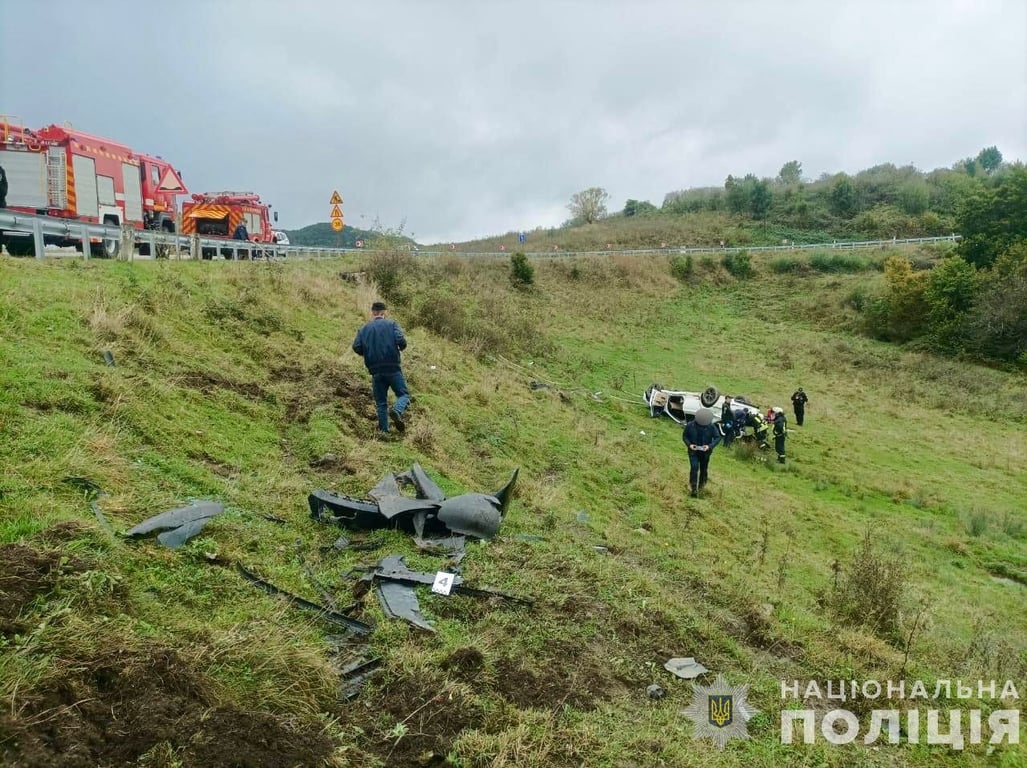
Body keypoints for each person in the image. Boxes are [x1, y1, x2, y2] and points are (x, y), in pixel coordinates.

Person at [352, 301, 410, 434]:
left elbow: (356, 347)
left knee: (381, 403)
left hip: (375, 371)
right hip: (392, 368)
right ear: (384, 313)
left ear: (373, 313)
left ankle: (384, 432)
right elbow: (401, 340)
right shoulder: (392, 324)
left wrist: (368, 353)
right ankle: (396, 410)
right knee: (404, 394)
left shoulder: (364, 329)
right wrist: (400, 347)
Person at [683, 408, 721, 497]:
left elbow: (717, 437)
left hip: (705, 453)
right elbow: (685, 436)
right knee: (694, 468)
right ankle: (693, 489)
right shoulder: (690, 425)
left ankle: (701, 487)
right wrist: (689, 445)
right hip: (693, 452)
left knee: (703, 470)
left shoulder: (711, 426)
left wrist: (709, 446)